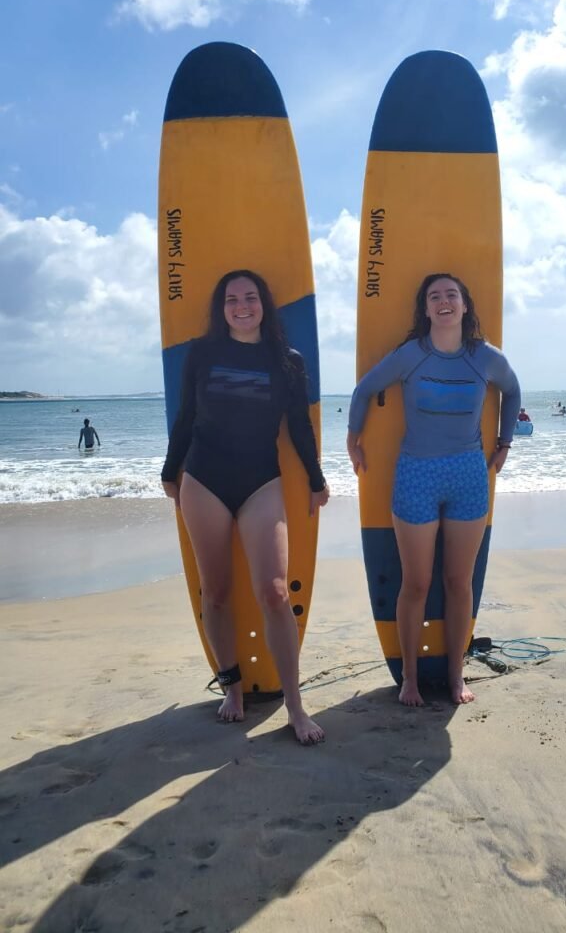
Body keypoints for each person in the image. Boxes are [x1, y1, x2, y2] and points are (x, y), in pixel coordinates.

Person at [161, 270, 329, 742]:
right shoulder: (204, 353)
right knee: (215, 590)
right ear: (222, 307)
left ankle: (295, 706)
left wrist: (316, 480)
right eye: (232, 298)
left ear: (263, 303)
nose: (241, 305)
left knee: (275, 591)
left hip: (261, 480)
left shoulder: (286, 361)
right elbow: (186, 417)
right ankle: (231, 688)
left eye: (250, 297)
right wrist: (169, 473)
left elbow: (298, 426)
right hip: (204, 478)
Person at [347, 273, 521, 708]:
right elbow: (365, 389)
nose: (443, 302)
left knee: (459, 582)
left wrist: (505, 443)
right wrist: (353, 438)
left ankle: (455, 674)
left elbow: (513, 391)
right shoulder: (412, 356)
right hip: (416, 477)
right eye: (434, 297)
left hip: (468, 476)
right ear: (425, 310)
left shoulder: (485, 358)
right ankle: (409, 678)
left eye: (451, 295)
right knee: (418, 583)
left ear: (464, 307)